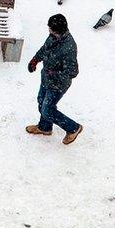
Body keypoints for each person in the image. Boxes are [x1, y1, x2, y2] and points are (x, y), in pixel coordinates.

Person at [26, 14, 83, 144]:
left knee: (47, 110)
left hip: (58, 85)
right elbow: (45, 49)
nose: (48, 30)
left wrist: (53, 73)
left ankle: (73, 128)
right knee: (41, 101)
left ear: (57, 30)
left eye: (50, 28)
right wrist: (35, 60)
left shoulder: (69, 47)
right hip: (46, 79)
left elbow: (73, 72)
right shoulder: (53, 37)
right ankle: (44, 128)